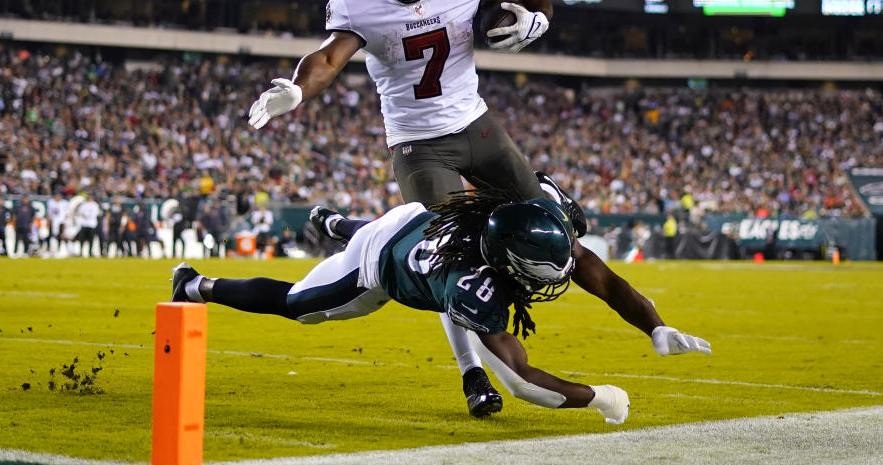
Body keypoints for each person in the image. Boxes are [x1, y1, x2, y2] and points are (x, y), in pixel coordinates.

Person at [247, 0, 555, 417]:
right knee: (454, 257)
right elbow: (326, 58)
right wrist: (299, 92)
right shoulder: (357, 3)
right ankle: (473, 374)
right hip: (418, 143)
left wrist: (537, 19)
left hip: (476, 125)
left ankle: (347, 226)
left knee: (545, 219)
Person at [169, 190, 710, 423]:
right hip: (380, 265)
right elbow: (524, 383)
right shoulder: (474, 284)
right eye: (547, 271)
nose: (565, 272)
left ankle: (338, 224)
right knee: (298, 304)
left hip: (421, 221)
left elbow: (610, 284)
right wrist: (600, 397)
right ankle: (197, 284)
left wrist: (655, 328)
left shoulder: (528, 222)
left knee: (458, 301)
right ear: (512, 263)